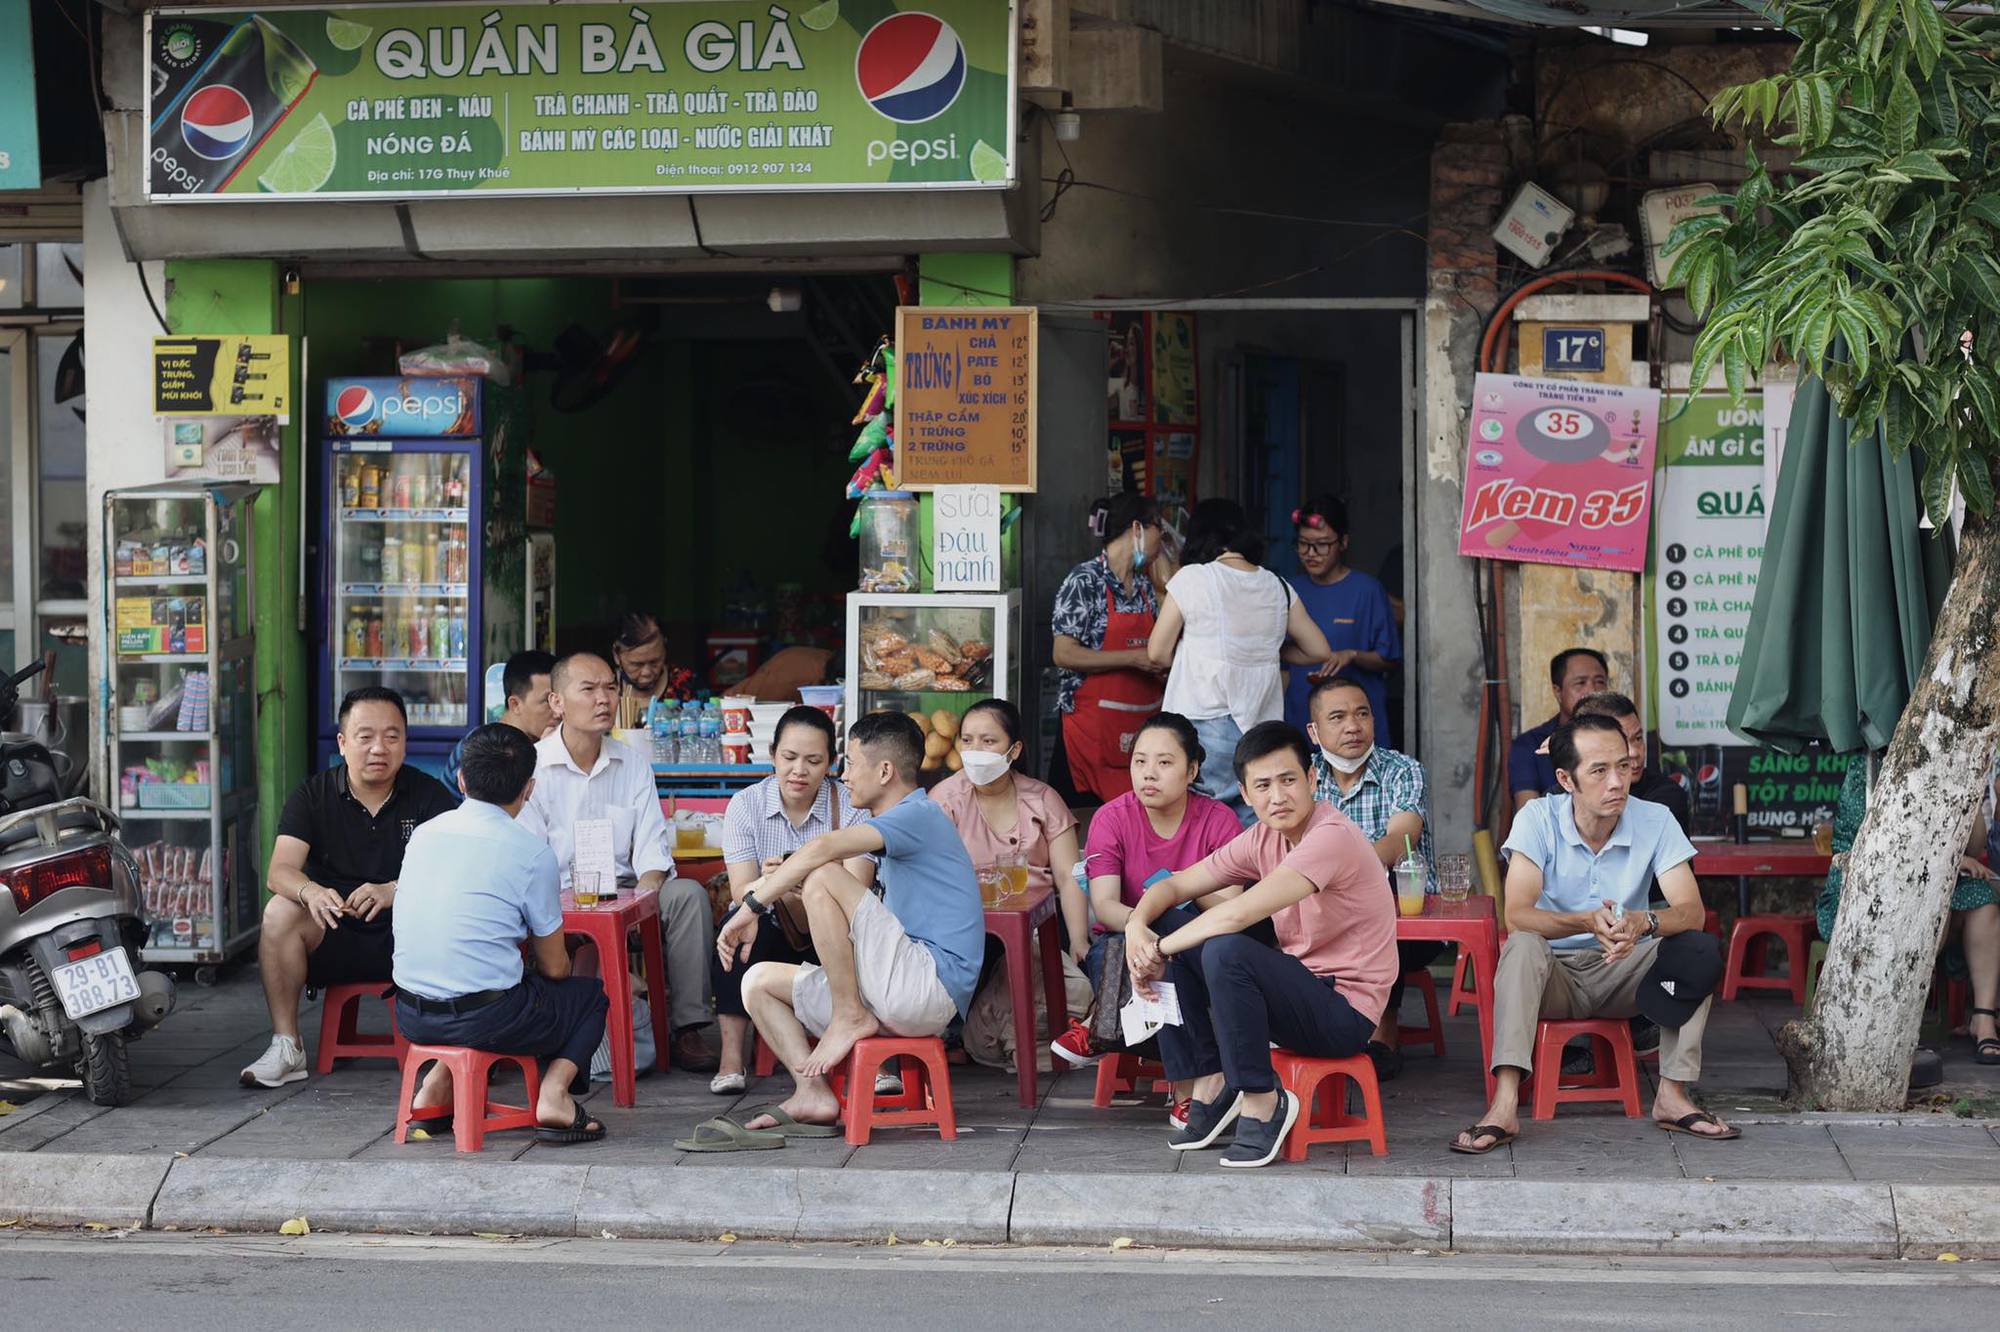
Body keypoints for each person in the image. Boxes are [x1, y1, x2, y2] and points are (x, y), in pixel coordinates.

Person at [1451, 714, 1739, 1154]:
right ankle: (1504, 1105)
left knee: (1696, 949)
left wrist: (1645, 922)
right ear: (1566, 779)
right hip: (1553, 977)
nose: (1617, 782)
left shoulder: (1654, 819)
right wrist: (1586, 921)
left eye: (1623, 767)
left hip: (1624, 969)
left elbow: (1691, 911)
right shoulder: (1538, 818)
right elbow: (1518, 914)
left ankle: (1673, 1094)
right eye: (1599, 771)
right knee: (1524, 944)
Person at [1124, 722, 1399, 1169]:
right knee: (1169, 919)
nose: (1278, 796)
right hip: (1299, 989)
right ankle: (1212, 1077)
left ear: (1312, 780)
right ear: (1245, 794)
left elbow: (1237, 914)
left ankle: (1261, 1099)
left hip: (1343, 1013)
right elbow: (1175, 886)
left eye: (1289, 780)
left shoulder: (1331, 837)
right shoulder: (1263, 837)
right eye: (1263, 786)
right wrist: (1138, 926)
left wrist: (1157, 951)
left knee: (1223, 947)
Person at [711, 713, 985, 1137]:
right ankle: (812, 1093)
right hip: (893, 987)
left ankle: (848, 1014)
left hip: (927, 985)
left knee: (822, 872)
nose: (844, 775)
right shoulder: (892, 825)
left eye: (851, 764)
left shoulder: (920, 815)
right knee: (758, 982)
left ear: (885, 771)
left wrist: (749, 907)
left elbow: (822, 850)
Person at [393, 724, 611, 1145]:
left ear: (461, 779)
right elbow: (554, 966)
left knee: (487, 981)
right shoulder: (530, 853)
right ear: (529, 789)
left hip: (411, 1015)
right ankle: (554, 1097)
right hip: (486, 1018)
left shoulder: (423, 834)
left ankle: (435, 1089)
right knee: (587, 998)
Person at [241, 687, 458, 1088]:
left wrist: (396, 889)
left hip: (410, 940)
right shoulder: (313, 795)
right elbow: (280, 871)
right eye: (365, 736)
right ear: (342, 743)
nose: (379, 748)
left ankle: (452, 1045)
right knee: (279, 910)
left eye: (392, 737)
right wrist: (311, 892)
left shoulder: (429, 796)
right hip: (334, 932)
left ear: (405, 743)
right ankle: (288, 1046)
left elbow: (457, 869)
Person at [518, 652, 720, 1072]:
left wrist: (636, 907)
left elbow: (651, 851)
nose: (603, 699)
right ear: (556, 702)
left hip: (627, 894)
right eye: (588, 690)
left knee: (686, 895)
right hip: (556, 903)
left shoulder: (633, 763)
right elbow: (529, 860)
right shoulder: (532, 767)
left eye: (610, 688)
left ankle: (687, 1027)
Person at [1048, 712, 1246, 1118]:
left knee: (1167, 960)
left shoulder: (1220, 821)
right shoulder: (1111, 818)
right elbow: (1104, 907)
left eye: (1164, 762)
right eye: (1140, 761)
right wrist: (1148, 932)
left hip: (1201, 946)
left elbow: (1232, 907)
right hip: (1120, 947)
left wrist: (1181, 887)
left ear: (1192, 770)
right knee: (1154, 963)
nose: (1148, 774)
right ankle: (1188, 1096)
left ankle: (1102, 1025)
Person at [706, 706, 874, 1095]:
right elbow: (741, 890)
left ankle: (873, 1055)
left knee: (860, 935)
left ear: (832, 764)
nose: (799, 770)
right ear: (772, 754)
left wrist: (801, 877)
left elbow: (858, 890)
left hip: (833, 928)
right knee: (737, 929)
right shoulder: (746, 805)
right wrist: (773, 883)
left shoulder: (851, 806)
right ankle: (732, 1058)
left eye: (814, 761)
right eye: (789, 758)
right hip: (773, 925)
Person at [1149, 498, 1337, 822]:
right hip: (1260, 724)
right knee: (1255, 819)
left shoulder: (1194, 578)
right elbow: (1319, 650)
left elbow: (1157, 652)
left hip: (1203, 721)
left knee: (1207, 821)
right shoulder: (1277, 586)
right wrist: (1267, 649)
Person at [1305, 675, 1441, 1080]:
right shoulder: (1304, 778)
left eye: (1362, 713)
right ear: (1314, 731)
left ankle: (1382, 1036)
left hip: (1408, 921)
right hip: (1325, 914)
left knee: (1376, 921)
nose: (1353, 726)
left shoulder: (1403, 770)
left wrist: (1346, 877)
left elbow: (1402, 837)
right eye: (1338, 717)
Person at [1822, 757, 1999, 1065]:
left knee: (1983, 899)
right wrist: (1949, 863)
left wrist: (1971, 789)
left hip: (1939, 879)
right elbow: (1880, 844)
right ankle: (1898, 1020)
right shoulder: (1867, 767)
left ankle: (1983, 1017)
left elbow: (1974, 848)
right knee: (1929, 907)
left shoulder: (1954, 757)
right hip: (1867, 881)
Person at [931, 698, 1089, 962]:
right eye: (967, 740)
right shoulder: (945, 800)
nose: (975, 750)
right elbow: (933, 878)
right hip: (965, 935)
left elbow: (1068, 875)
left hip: (1038, 932)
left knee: (1078, 994)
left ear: (1014, 750)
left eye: (988, 741)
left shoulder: (1043, 799)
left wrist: (1079, 940)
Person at [1051, 493, 1170, 803]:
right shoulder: (1084, 580)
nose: (1163, 540)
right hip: (1090, 733)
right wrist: (1133, 659)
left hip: (1140, 733)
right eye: (1160, 529)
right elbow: (1063, 653)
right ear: (1138, 529)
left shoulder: (1145, 587)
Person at [1283, 496, 1401, 746]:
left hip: (1354, 729)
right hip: (1301, 721)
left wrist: (1352, 655)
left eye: (1322, 545)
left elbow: (1389, 659)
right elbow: (1278, 658)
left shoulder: (1367, 590)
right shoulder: (1288, 591)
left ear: (1343, 542)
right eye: (1303, 544)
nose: (1311, 553)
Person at [1508, 648, 1612, 810]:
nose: (1592, 690)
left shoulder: (1617, 739)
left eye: (1600, 682)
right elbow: (1529, 815)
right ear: (1558, 692)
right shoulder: (1530, 746)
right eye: (1580, 683)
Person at [444, 650, 557, 797]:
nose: (558, 711)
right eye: (547, 701)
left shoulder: (548, 742)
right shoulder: (480, 747)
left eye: (559, 700)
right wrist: (543, 754)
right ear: (515, 704)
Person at [1571, 691, 1689, 829]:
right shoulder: (1559, 798)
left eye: (1638, 738)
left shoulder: (1666, 795)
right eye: (1622, 742)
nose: (1634, 752)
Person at [610, 611, 692, 731]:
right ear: (616, 656)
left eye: (655, 662)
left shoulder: (686, 683)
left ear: (664, 649)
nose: (647, 672)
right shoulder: (604, 688)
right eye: (636, 664)